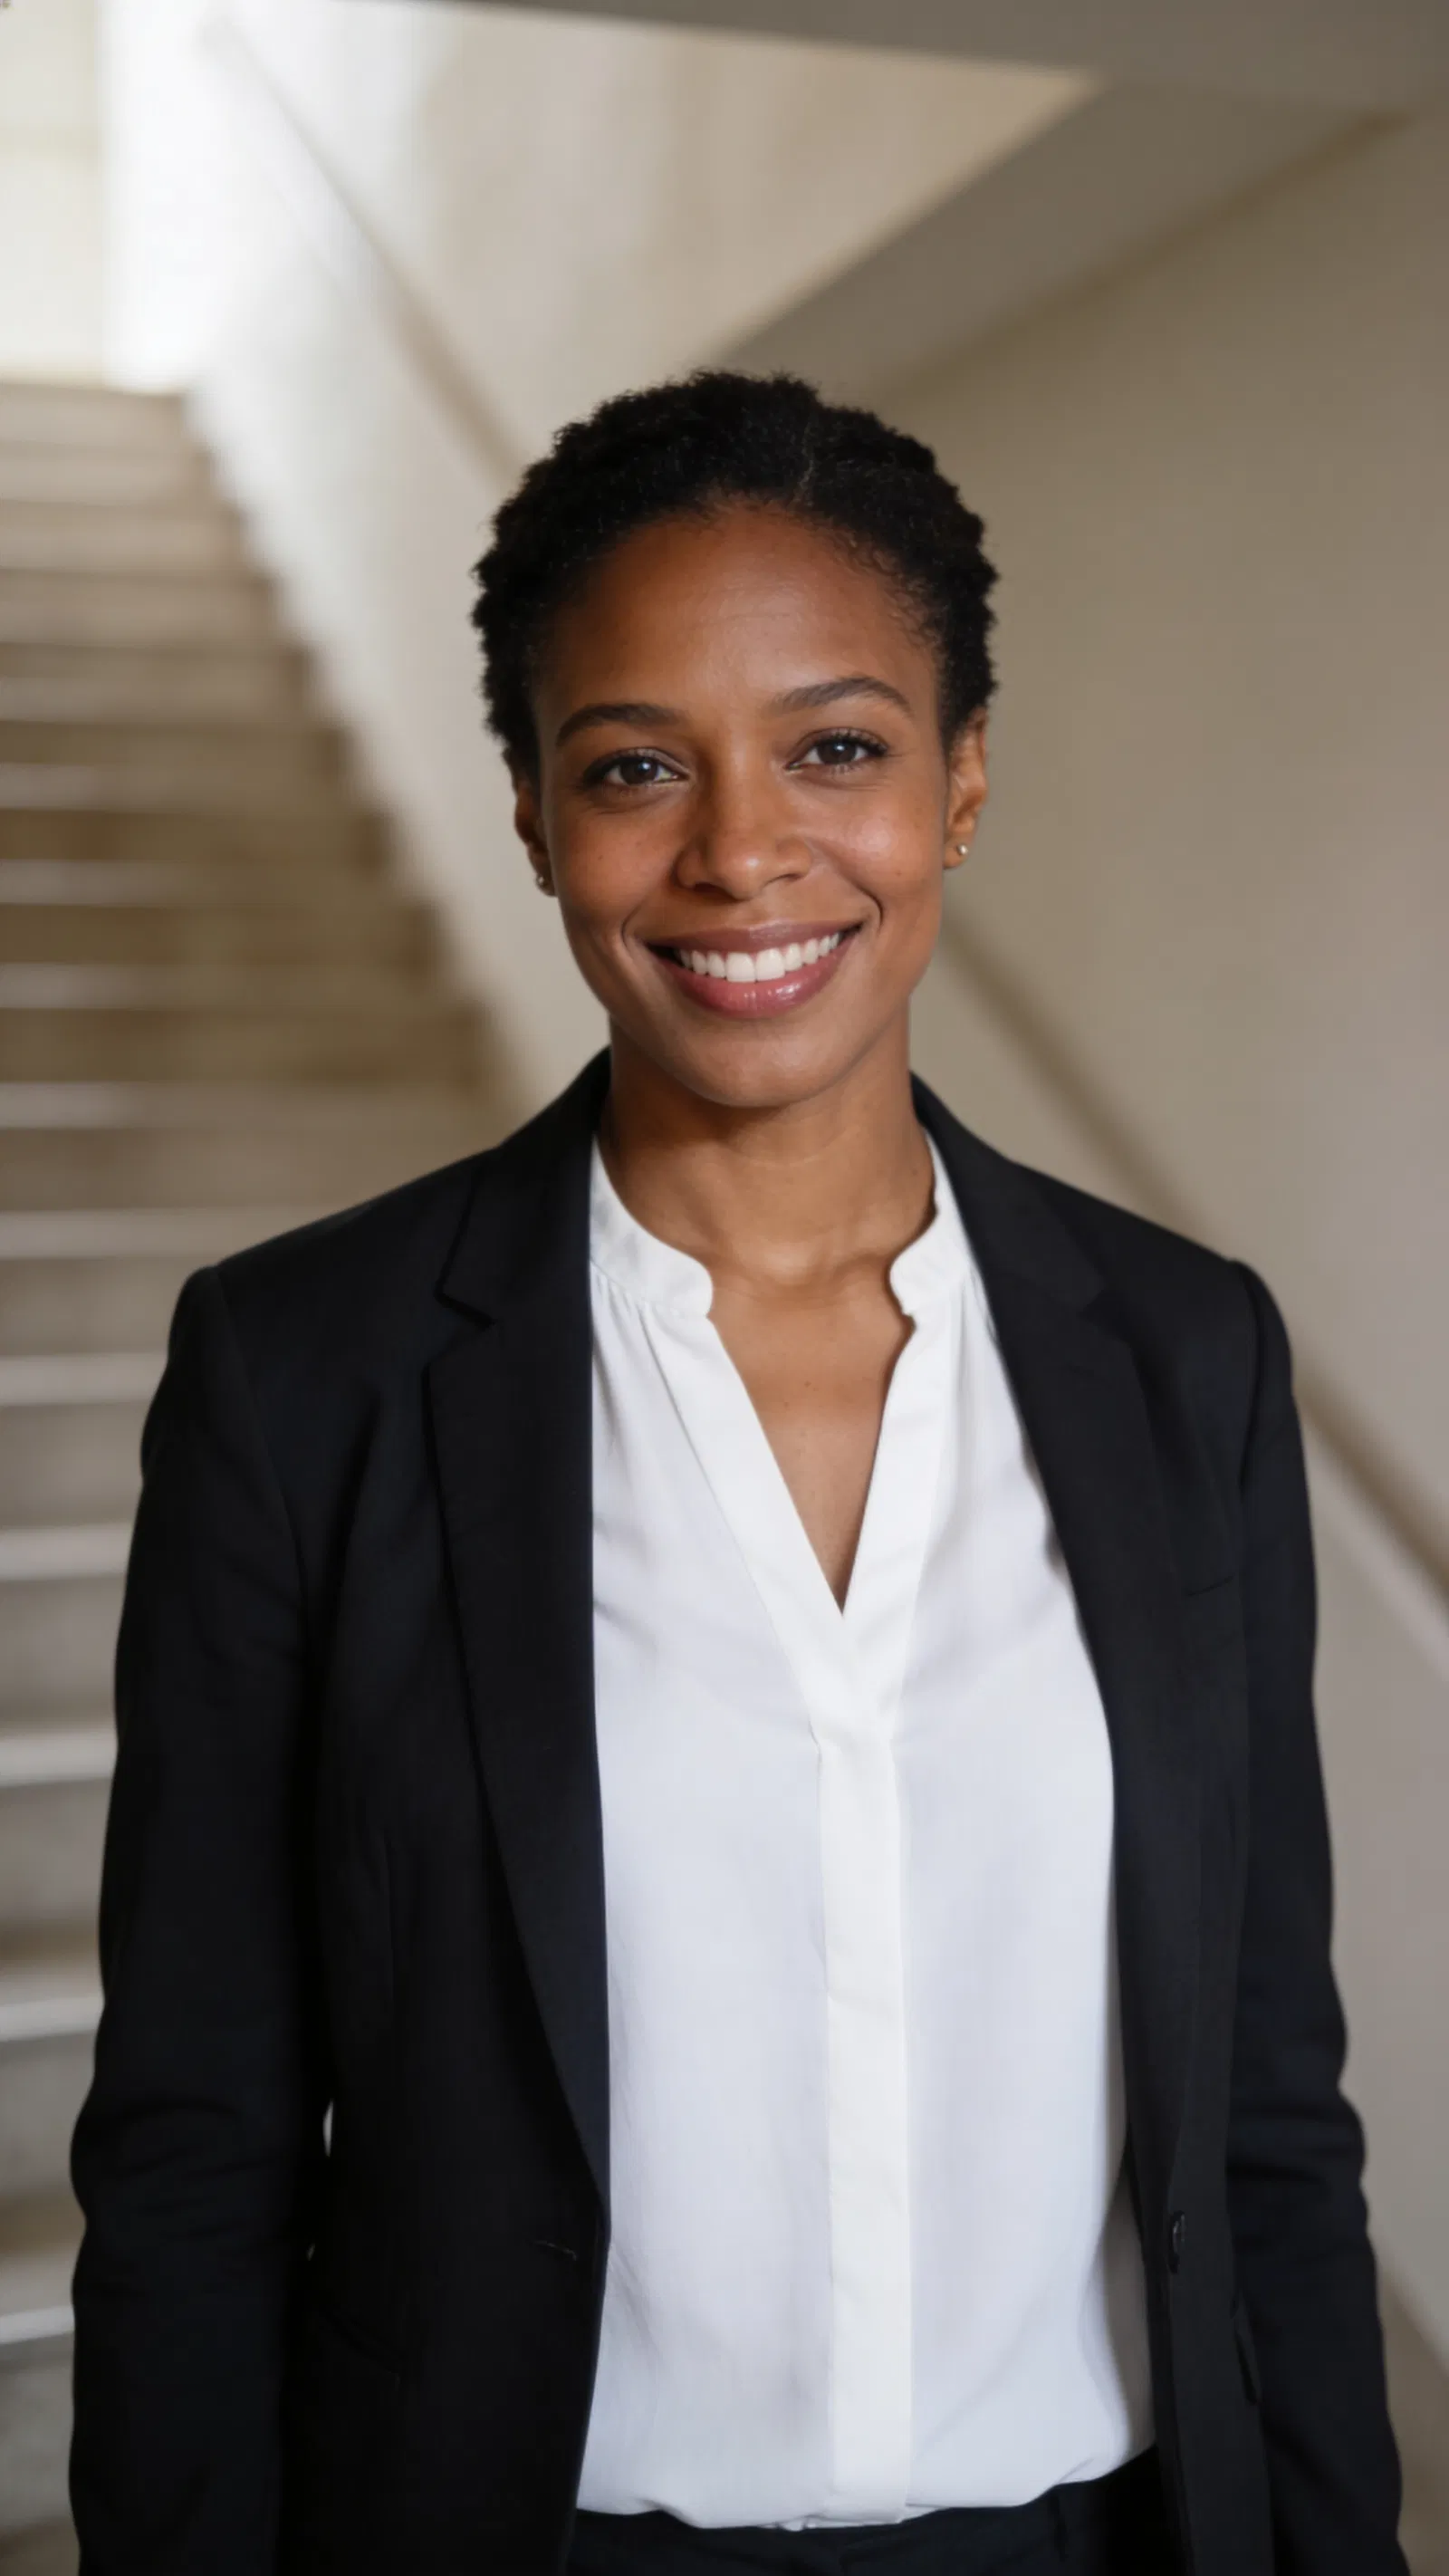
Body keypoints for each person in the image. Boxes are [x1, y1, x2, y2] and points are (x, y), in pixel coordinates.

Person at [70, 372, 1406, 2576]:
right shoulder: (306, 1372)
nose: (738, 852)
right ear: (528, 812)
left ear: (959, 782)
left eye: (837, 747)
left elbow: (1266, 2111)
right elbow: (198, 2147)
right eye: (631, 768)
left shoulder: (1181, 1362)